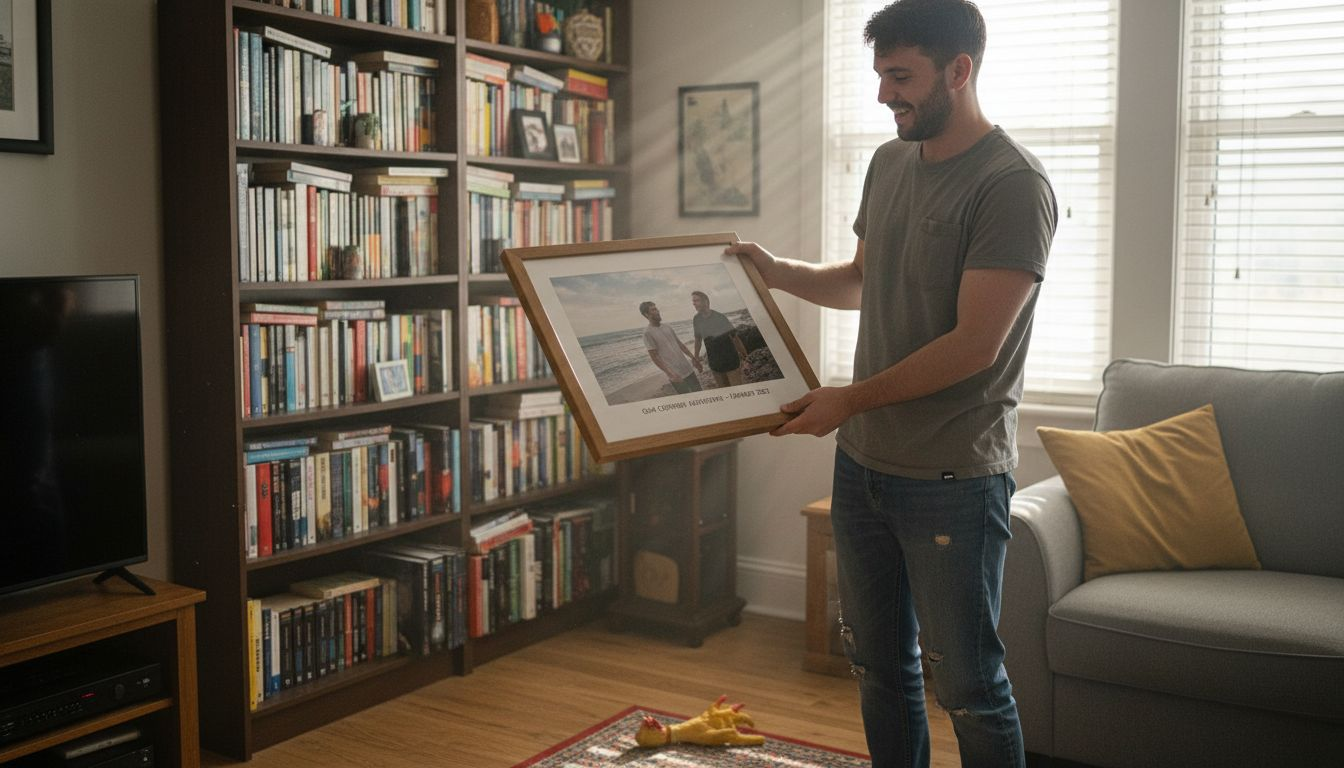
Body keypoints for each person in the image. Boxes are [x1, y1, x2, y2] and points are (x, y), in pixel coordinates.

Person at [726, 1, 1057, 766]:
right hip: (864, 462)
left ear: (960, 70)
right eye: (879, 76)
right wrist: (778, 274)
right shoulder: (888, 162)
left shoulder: (1012, 185)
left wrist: (846, 399)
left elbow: (975, 345)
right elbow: (860, 282)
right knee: (877, 667)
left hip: (952, 475)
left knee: (970, 684)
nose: (884, 96)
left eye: (901, 77)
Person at [639, 300, 703, 394]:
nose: (657, 311)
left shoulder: (667, 327)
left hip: (688, 369)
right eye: (653, 310)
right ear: (646, 314)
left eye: (656, 309)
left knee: (700, 393)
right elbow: (654, 357)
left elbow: (680, 344)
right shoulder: (647, 333)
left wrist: (693, 358)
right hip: (676, 375)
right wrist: (670, 373)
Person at [690, 290, 749, 388]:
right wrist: (696, 357)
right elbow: (698, 339)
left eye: (697, 301)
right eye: (693, 302)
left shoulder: (720, 317)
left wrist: (745, 356)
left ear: (706, 301)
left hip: (731, 362)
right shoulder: (696, 319)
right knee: (725, 393)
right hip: (715, 365)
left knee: (739, 392)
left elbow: (735, 338)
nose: (694, 304)